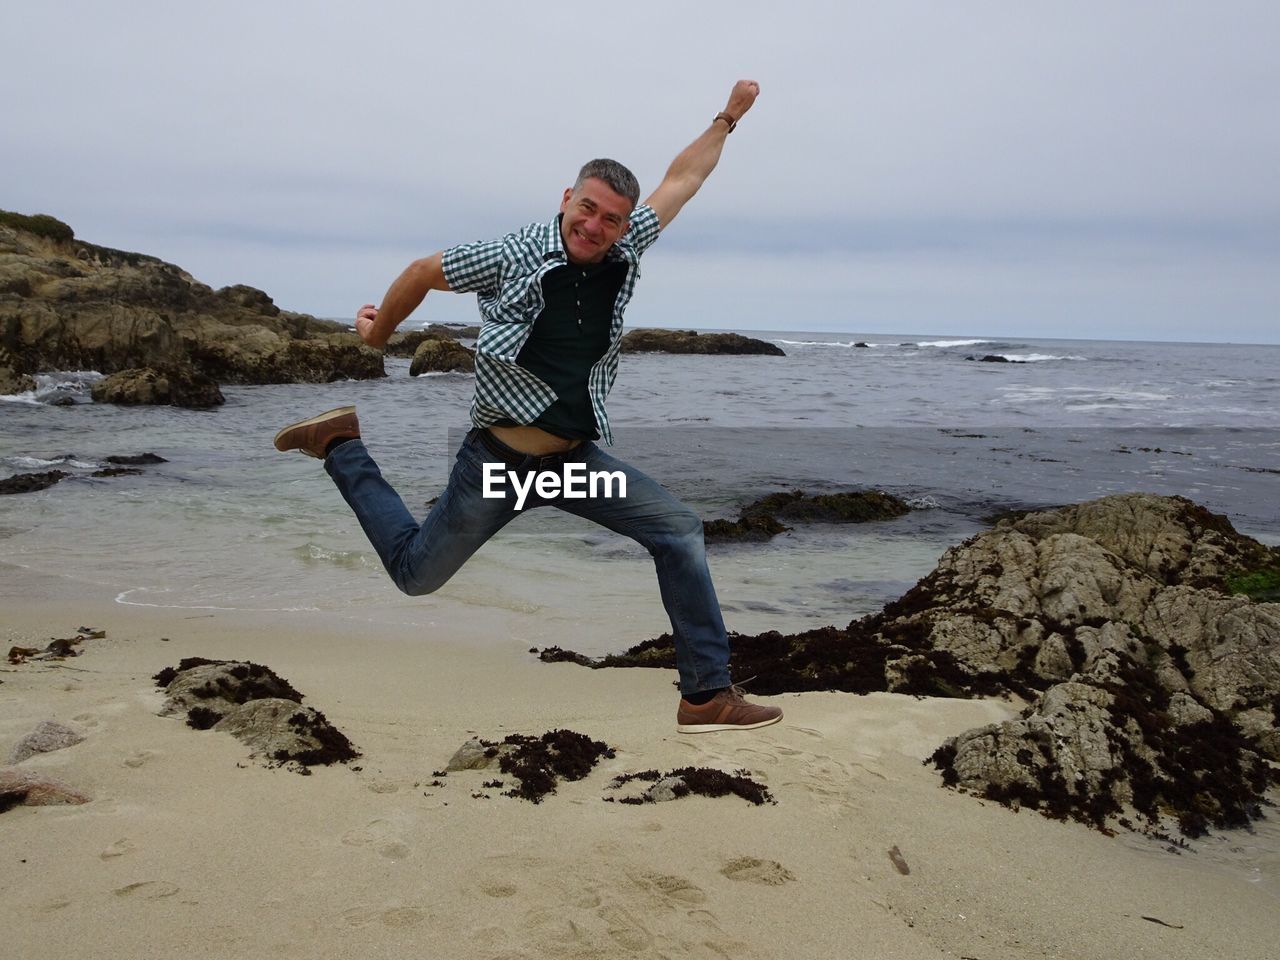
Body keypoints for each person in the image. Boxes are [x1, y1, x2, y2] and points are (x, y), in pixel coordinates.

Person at [275, 80, 781, 734]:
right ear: (567, 199)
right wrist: (378, 335)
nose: (596, 227)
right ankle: (341, 446)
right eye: (588, 209)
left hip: (572, 461)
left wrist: (727, 119)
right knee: (414, 576)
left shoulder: (624, 250)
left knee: (679, 530)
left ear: (625, 226)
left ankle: (705, 695)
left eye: (611, 219)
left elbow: (683, 178)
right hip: (498, 462)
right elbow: (424, 270)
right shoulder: (512, 255)